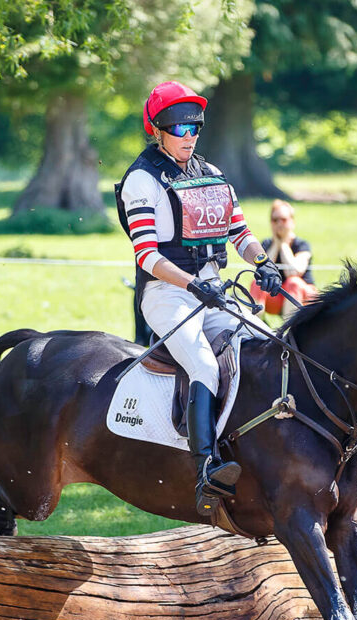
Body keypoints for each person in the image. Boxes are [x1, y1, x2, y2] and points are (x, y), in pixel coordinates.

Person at [114, 81, 284, 516]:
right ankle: (207, 467)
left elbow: (240, 234)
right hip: (167, 295)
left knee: (266, 346)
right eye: (179, 126)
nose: (189, 134)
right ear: (157, 130)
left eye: (195, 125)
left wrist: (262, 261)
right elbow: (147, 256)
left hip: (212, 289)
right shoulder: (141, 180)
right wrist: (191, 285)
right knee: (205, 364)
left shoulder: (211, 173)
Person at [250, 199, 319, 316]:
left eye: (283, 219)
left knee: (293, 282)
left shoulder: (302, 245)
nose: (279, 224)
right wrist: (276, 244)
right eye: (275, 220)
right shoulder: (266, 244)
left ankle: (289, 331)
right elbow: (263, 270)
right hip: (277, 296)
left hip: (302, 297)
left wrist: (283, 244)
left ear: (292, 221)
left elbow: (293, 272)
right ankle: (254, 327)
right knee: (257, 284)